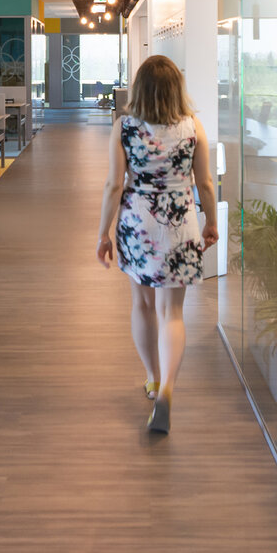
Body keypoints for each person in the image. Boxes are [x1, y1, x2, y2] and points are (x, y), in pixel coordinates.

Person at [95, 55, 218, 434]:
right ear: (176, 88)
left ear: (140, 89)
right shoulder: (193, 126)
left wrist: (103, 233)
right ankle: (167, 390)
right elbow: (205, 183)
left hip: (138, 224)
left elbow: (114, 185)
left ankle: (152, 377)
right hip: (181, 224)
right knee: (172, 313)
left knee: (143, 305)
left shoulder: (125, 127)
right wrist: (212, 222)